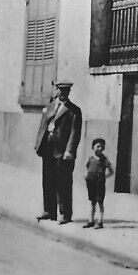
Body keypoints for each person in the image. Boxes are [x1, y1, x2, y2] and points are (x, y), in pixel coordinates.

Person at [34, 80, 82, 223]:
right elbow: (43, 126)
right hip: (48, 149)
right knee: (47, 181)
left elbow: (75, 132)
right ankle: (49, 211)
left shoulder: (73, 110)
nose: (62, 93)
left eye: (65, 91)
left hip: (62, 151)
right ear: (56, 90)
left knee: (63, 183)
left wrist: (70, 151)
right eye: (60, 90)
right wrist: (38, 144)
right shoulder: (49, 107)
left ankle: (65, 214)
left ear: (68, 92)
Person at [82, 138, 113, 228]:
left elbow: (111, 171)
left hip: (100, 184)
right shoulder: (90, 158)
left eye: (102, 147)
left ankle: (100, 221)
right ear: (93, 147)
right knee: (92, 202)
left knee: (100, 202)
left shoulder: (104, 159)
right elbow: (87, 168)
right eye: (98, 146)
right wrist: (86, 175)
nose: (100, 148)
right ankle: (91, 220)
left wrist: (104, 177)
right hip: (91, 183)